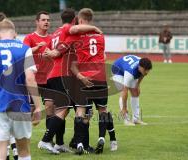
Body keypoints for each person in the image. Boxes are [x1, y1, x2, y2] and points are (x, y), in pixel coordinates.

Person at [38, 8, 102, 154]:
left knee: (63, 110)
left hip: (53, 74)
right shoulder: (68, 29)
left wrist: (56, 53)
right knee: (65, 109)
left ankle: (59, 143)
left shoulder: (55, 33)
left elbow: (46, 54)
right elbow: (77, 29)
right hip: (63, 74)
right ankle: (46, 140)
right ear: (74, 20)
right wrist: (94, 28)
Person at [0, 19, 41, 160]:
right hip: (21, 107)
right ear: (14, 33)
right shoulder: (25, 49)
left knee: (0, 150)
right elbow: (30, 79)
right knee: (23, 150)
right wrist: (37, 107)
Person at [67, 8, 117, 155]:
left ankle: (80, 143)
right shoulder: (101, 36)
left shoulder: (78, 37)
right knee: (102, 110)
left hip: (85, 78)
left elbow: (73, 29)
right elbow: (104, 56)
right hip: (101, 77)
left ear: (81, 20)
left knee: (81, 111)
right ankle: (101, 137)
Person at [0, 11, 18, 160]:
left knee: (2, 130)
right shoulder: (17, 44)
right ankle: (16, 152)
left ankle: (7, 153)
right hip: (16, 92)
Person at [23, 11, 54, 133]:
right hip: (33, 80)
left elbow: (57, 55)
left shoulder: (52, 39)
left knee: (50, 107)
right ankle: (20, 138)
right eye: (43, 20)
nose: (46, 22)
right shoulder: (30, 37)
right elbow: (23, 53)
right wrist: (35, 49)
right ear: (37, 22)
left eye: (48, 20)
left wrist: (50, 55)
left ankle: (48, 139)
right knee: (29, 111)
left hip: (48, 79)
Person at [111, 55, 152, 126]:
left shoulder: (143, 66)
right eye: (145, 70)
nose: (147, 72)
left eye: (148, 70)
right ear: (140, 67)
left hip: (127, 66)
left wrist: (138, 85)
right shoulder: (130, 72)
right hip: (117, 70)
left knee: (135, 92)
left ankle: (136, 119)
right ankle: (126, 119)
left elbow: (143, 74)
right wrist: (124, 108)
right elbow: (125, 91)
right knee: (122, 90)